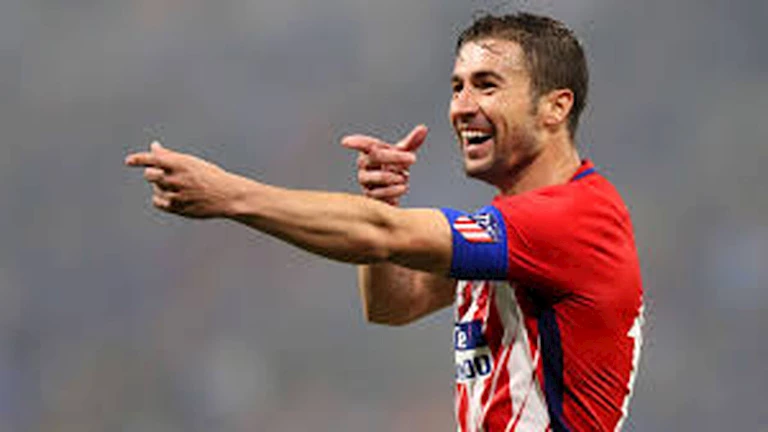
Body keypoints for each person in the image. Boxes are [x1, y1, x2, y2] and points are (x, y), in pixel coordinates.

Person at [126, 12, 643, 432]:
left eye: (486, 86)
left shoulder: (576, 219)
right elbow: (395, 305)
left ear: (555, 107)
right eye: (457, 87)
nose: (461, 107)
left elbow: (380, 235)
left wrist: (231, 195)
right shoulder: (517, 233)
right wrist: (383, 204)